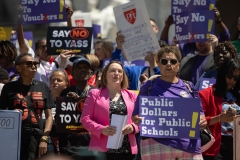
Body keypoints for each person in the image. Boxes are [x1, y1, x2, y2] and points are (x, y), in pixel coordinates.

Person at [132, 46, 207, 160]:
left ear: (178, 64)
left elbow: (200, 115)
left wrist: (202, 121)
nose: (168, 64)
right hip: (157, 145)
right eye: (164, 61)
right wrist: (137, 119)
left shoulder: (189, 87)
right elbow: (135, 115)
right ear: (158, 63)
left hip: (188, 146)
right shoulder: (149, 86)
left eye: (172, 61)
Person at [81, 60, 139, 160]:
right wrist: (101, 129)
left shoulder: (132, 95)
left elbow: (141, 120)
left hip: (127, 150)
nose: (117, 73)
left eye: (120, 71)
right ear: (105, 75)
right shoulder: (94, 93)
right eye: (112, 70)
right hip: (102, 151)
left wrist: (133, 127)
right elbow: (85, 119)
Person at [0, 53, 54, 159]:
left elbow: (49, 116)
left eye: (35, 64)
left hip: (37, 137)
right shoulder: (9, 87)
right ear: (18, 67)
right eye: (29, 64)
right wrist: (12, 114)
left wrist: (44, 138)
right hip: (14, 138)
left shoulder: (43, 86)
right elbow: (1, 112)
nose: (33, 67)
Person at [199, 59, 240, 160]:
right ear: (222, 74)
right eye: (229, 76)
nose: (232, 80)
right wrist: (220, 118)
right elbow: (198, 123)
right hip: (215, 147)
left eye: (235, 78)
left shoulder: (237, 96)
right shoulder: (206, 94)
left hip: (236, 145)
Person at [59, 56, 96, 160]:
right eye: (79, 67)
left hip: (92, 144)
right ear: (72, 73)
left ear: (91, 73)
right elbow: (60, 121)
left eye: (85, 67)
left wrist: (80, 100)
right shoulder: (65, 93)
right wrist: (67, 102)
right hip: (71, 146)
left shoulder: (98, 92)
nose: (82, 69)